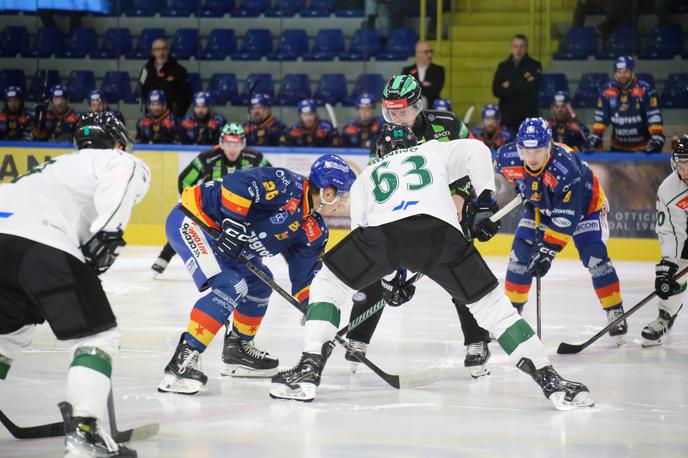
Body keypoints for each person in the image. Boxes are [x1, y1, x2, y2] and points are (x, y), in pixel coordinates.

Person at [269, 124, 594, 412]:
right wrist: (484, 200)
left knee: (329, 284)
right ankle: (551, 380)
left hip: (383, 236)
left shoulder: (366, 177)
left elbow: (363, 237)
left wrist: (392, 278)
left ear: (379, 151)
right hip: (442, 236)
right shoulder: (431, 149)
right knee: (494, 308)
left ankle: (309, 368)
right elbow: (478, 150)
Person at [0, 112, 150, 457]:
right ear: (117, 141)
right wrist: (108, 237)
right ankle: (85, 431)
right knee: (97, 336)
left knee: (9, 334)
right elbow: (122, 177)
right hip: (42, 243)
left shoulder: (52, 166)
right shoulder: (116, 158)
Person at [158, 154, 356, 394]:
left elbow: (305, 283)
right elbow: (237, 184)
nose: (344, 202)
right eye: (343, 194)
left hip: (226, 245)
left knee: (260, 286)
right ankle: (184, 359)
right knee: (232, 286)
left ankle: (237, 347)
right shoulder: (286, 184)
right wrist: (234, 222)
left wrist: (319, 317)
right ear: (328, 192)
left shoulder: (314, 231)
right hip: (194, 220)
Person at [346, 74, 494, 378]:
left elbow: (472, 160)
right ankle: (358, 339)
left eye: (402, 112)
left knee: (460, 273)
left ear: (417, 105)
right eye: (390, 112)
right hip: (407, 211)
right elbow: (382, 183)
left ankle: (477, 341)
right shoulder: (387, 136)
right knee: (377, 267)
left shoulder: (448, 124)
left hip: (450, 207)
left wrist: (463, 201)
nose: (396, 119)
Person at [495, 117, 627, 344]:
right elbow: (520, 180)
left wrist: (547, 252)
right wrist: (528, 192)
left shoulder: (566, 168)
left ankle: (615, 311)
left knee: (594, 256)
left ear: (550, 146)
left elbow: (567, 216)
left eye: (538, 150)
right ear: (518, 149)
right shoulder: (506, 159)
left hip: (586, 208)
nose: (532, 157)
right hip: (543, 206)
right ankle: (511, 316)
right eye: (526, 151)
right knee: (520, 254)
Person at [151, 123, 272, 277]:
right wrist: (190, 204)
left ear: (243, 144)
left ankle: (254, 268)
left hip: (242, 211)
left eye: (237, 144)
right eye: (228, 144)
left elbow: (270, 183)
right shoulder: (207, 158)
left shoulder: (256, 158)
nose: (232, 149)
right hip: (213, 209)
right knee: (188, 225)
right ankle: (164, 257)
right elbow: (185, 180)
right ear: (221, 143)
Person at [644, 134, 688, 346]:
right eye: (682, 164)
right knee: (676, 274)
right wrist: (668, 264)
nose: (686, 171)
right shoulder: (668, 189)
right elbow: (670, 231)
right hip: (685, 238)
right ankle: (665, 316)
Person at [590, 56, 664, 153]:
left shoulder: (645, 89)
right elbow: (601, 117)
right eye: (619, 72)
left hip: (643, 149)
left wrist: (656, 136)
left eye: (626, 72)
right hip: (617, 148)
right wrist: (596, 135)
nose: (622, 75)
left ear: (632, 73)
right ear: (615, 73)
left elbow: (653, 115)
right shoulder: (607, 90)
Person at [492, 34, 542, 132]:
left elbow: (532, 88)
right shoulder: (503, 66)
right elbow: (496, 90)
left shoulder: (535, 65)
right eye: (515, 46)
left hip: (528, 116)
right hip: (507, 117)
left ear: (526, 48)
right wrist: (523, 82)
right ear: (512, 47)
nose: (518, 50)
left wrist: (509, 85)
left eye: (521, 46)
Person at [140, 38, 192, 119]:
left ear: (168, 51)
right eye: (157, 50)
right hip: (151, 116)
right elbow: (141, 90)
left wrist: (178, 112)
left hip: (172, 117)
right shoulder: (145, 70)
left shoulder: (179, 70)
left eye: (164, 49)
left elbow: (187, 95)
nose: (161, 53)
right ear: (152, 52)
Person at [402, 41, 445, 109]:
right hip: (411, 106)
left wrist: (416, 85)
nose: (430, 55)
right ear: (417, 53)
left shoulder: (438, 70)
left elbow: (435, 90)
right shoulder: (407, 71)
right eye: (426, 52)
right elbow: (406, 91)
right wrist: (424, 85)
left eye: (431, 51)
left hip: (432, 106)